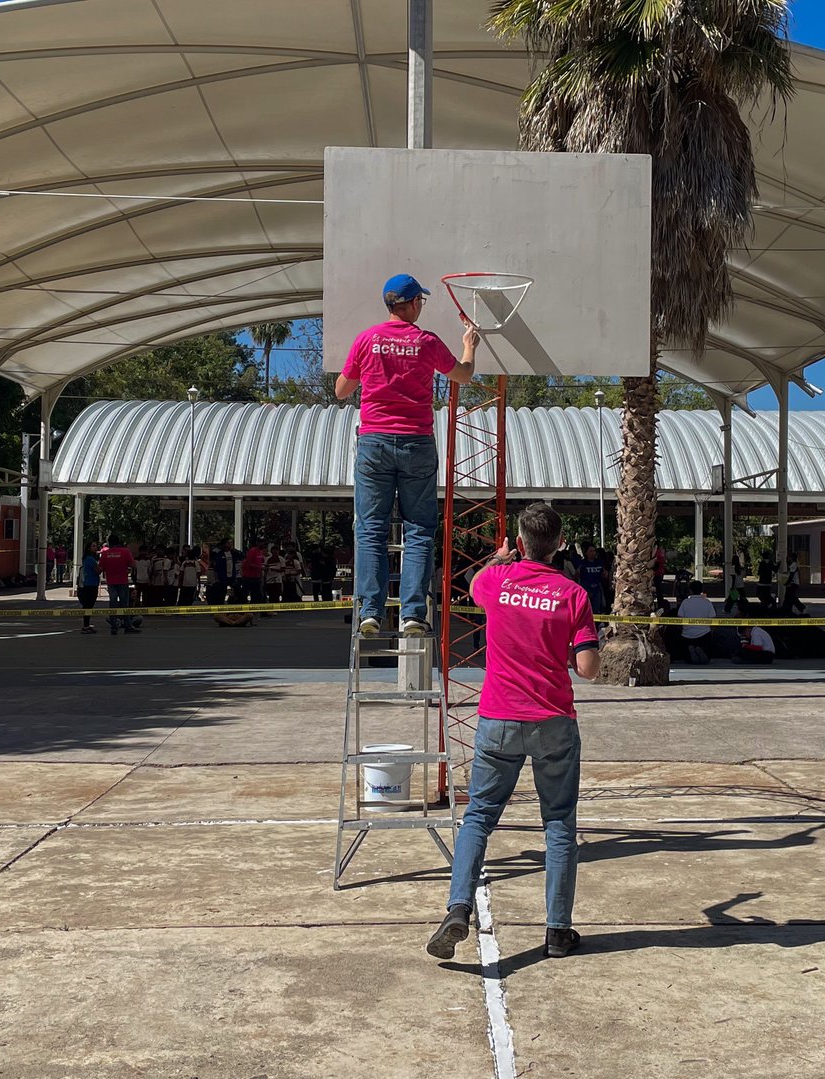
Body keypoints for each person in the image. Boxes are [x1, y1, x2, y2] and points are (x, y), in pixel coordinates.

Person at [426, 503, 600, 962]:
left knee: (480, 815)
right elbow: (589, 669)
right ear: (560, 545)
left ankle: (459, 906)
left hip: (499, 718)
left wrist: (499, 561)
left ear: (520, 543)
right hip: (553, 721)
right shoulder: (573, 595)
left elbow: (472, 585)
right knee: (559, 823)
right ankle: (558, 930)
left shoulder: (497, 581)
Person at [335, 272, 478, 637]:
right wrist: (469, 345)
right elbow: (462, 375)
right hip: (416, 441)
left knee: (370, 529)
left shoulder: (367, 339)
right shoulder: (425, 341)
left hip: (374, 441)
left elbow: (341, 390)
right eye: (421, 302)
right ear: (413, 303)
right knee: (418, 530)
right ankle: (413, 614)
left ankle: (370, 611)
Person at [99, 534, 137, 635]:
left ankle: (114, 627)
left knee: (113, 604)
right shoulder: (125, 551)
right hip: (122, 581)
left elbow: (99, 568)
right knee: (125, 604)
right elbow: (133, 565)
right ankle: (128, 626)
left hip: (111, 582)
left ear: (109, 542)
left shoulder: (105, 554)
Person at [677, 580, 716, 663]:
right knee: (707, 658)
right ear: (701, 590)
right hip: (704, 635)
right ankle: (701, 652)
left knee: (687, 659)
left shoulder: (685, 602)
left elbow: (679, 618)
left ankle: (691, 654)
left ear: (690, 590)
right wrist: (711, 632)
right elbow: (713, 619)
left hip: (687, 635)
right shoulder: (707, 603)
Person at [76, 541, 100, 634]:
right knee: (88, 605)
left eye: (96, 546)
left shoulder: (86, 559)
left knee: (88, 606)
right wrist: (101, 567)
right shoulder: (90, 559)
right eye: (93, 546)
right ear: (89, 548)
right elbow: (97, 570)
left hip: (88, 584)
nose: (95, 548)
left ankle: (86, 625)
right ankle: (86, 626)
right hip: (90, 585)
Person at [578, 543, 607, 614]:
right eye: (590, 551)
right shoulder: (582, 563)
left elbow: (604, 575)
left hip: (596, 588)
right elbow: (577, 576)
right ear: (586, 552)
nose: (592, 553)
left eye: (594, 551)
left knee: (596, 609)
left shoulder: (599, 563)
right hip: (585, 588)